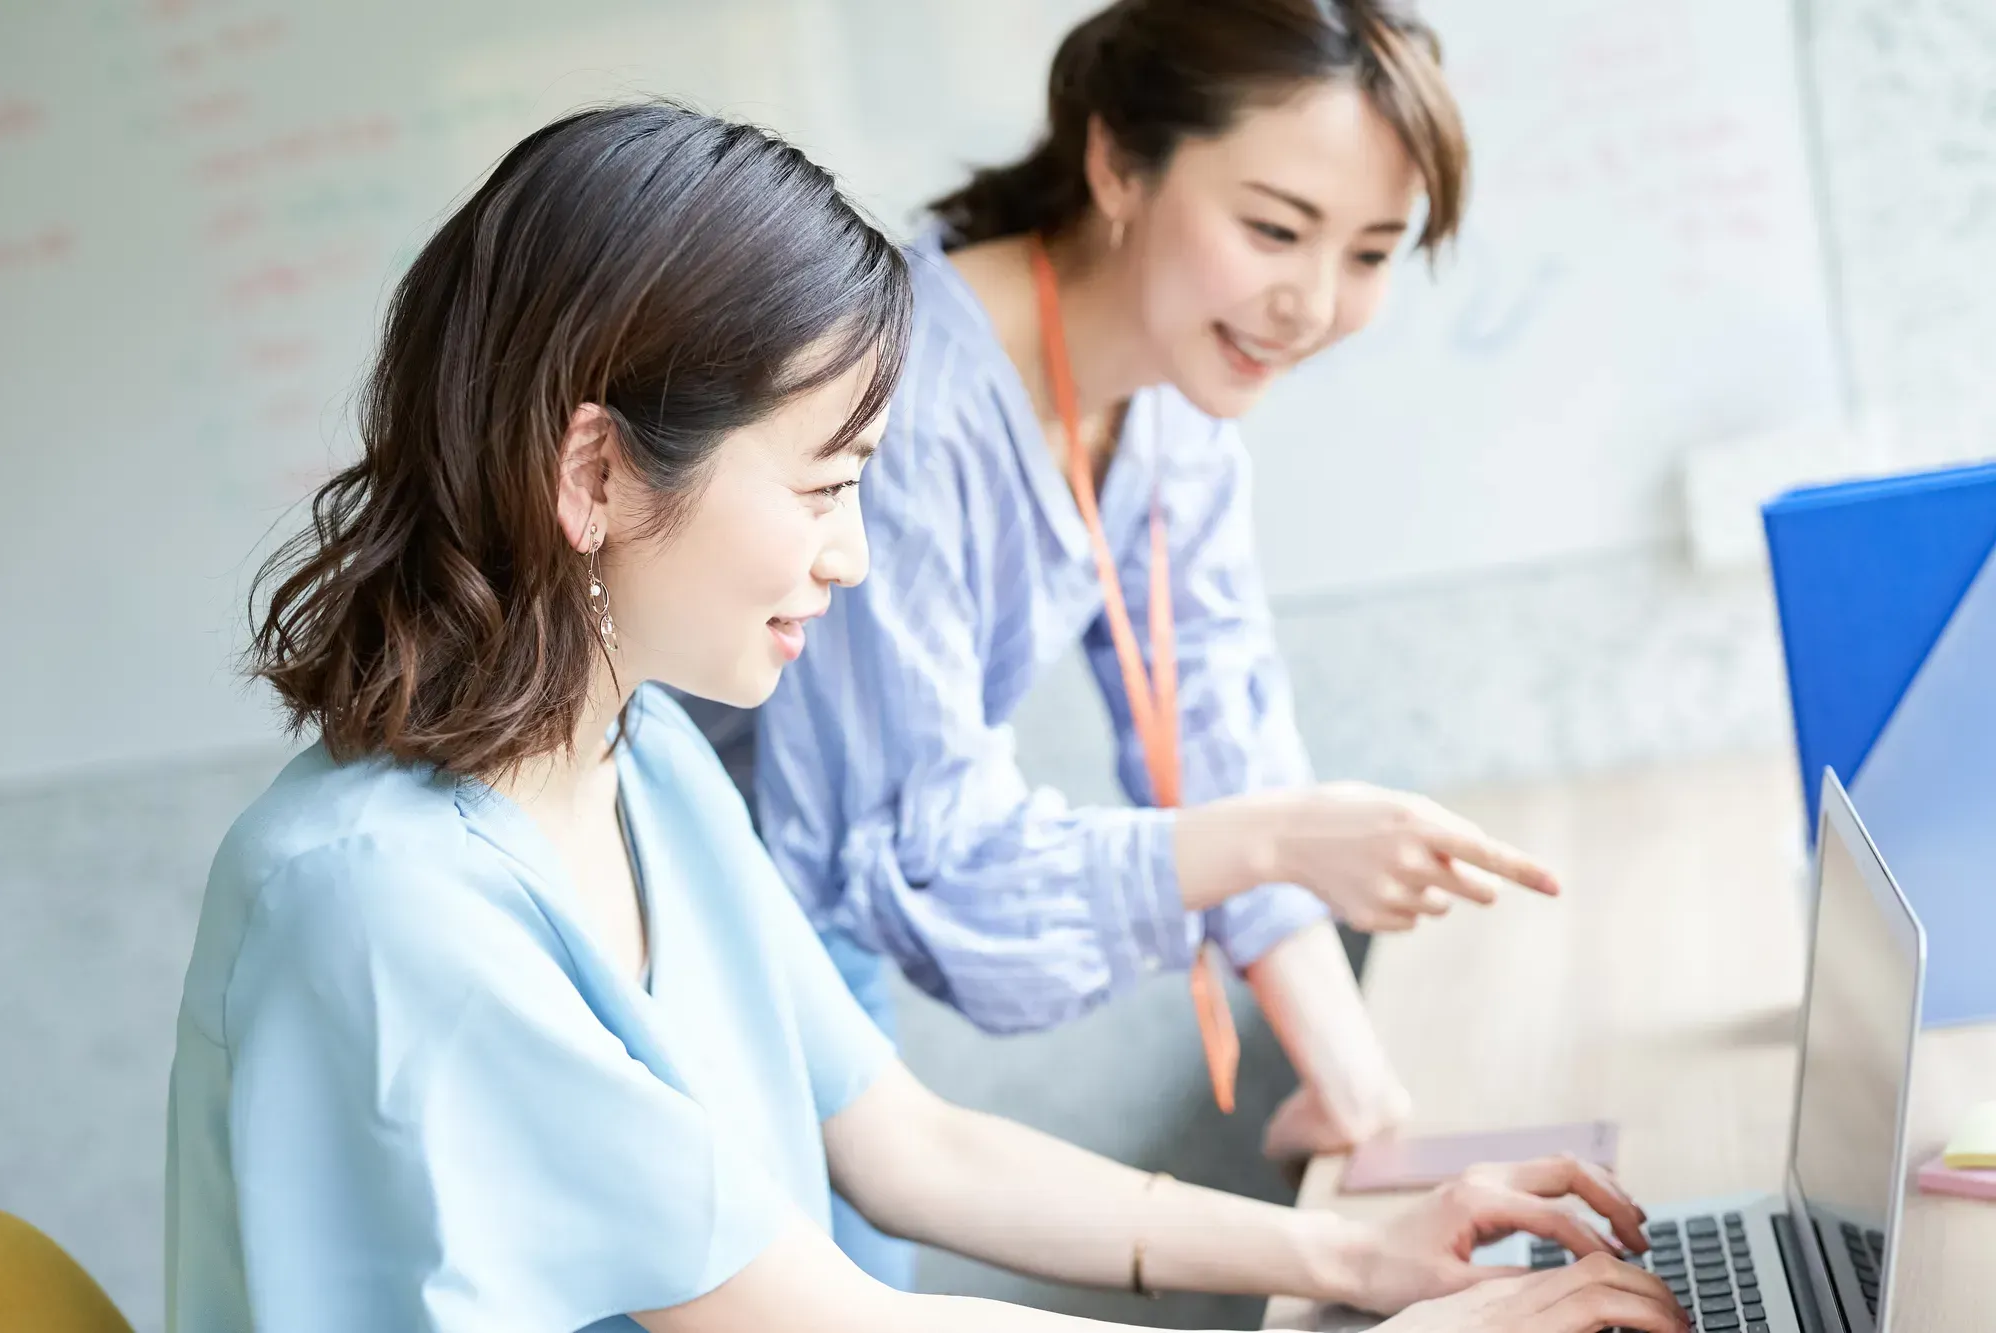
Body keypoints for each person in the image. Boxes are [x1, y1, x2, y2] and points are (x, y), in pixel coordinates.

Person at [162, 101, 1686, 1333]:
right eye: (823, 486)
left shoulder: (645, 759)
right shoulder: (384, 900)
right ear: (597, 474)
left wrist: (1360, 1259)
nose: (853, 554)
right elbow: (822, 1318)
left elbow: (912, 1146)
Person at [754, 0, 1563, 1284]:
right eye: (1273, 230)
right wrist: (1284, 840)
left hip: (809, 930)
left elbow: (1217, 728)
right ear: (1117, 163)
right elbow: (938, 872)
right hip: (681, 937)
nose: (1311, 303)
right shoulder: (903, 408)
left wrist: (1352, 1082)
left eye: (1369, 252)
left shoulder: (1170, 390)